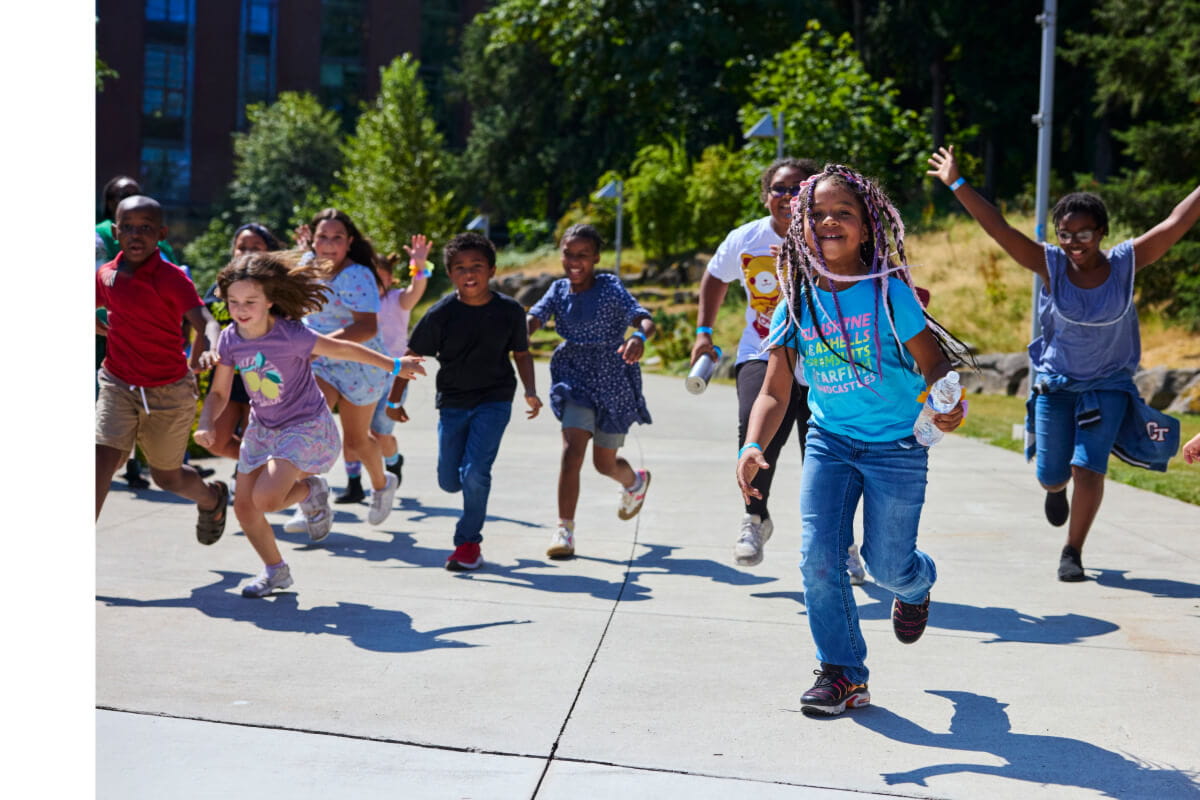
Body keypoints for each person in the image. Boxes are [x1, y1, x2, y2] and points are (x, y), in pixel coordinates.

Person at [736, 164, 970, 716]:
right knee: (818, 561)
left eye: (843, 213)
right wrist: (752, 445)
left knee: (888, 567)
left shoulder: (889, 292)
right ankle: (843, 673)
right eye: (815, 215)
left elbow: (935, 365)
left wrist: (948, 405)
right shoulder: (796, 297)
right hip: (830, 444)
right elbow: (776, 384)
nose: (828, 222)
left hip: (897, 449)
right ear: (799, 228)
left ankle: (917, 585)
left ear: (867, 227)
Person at [927, 146, 1196, 581]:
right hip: (1056, 385)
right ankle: (1054, 491)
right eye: (1065, 234)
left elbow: (1175, 222)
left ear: (1102, 233)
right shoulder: (1049, 263)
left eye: (1083, 234)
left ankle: (1072, 551)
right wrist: (957, 182)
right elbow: (998, 228)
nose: (1073, 243)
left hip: (1108, 385)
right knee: (1053, 473)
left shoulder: (1126, 263)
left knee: (1089, 465)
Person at [195, 250, 425, 597]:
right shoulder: (230, 338)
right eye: (233, 301)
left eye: (250, 301)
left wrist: (393, 365)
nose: (241, 310)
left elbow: (342, 349)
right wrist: (206, 421)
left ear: (270, 300)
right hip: (263, 427)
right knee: (244, 508)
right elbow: (219, 392)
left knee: (268, 500)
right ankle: (276, 572)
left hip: (303, 426)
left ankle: (311, 490)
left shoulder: (290, 335)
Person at [691, 158, 837, 570]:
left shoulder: (828, 235)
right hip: (762, 348)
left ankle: (839, 543)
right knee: (755, 431)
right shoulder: (746, 238)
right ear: (765, 195)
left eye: (796, 189)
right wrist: (705, 330)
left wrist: (804, 264)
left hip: (823, 354)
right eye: (778, 188)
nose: (787, 197)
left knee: (823, 450)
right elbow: (716, 276)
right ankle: (754, 518)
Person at [397, 232, 542, 571]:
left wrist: (530, 391)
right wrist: (394, 401)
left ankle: (467, 544)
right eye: (460, 267)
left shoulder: (508, 311)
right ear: (450, 274)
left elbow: (521, 353)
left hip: (495, 399)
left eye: (476, 265)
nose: (469, 273)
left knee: (476, 472)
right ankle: (466, 492)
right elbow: (411, 356)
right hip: (453, 402)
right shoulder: (441, 313)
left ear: (491, 269)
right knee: (450, 479)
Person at [95, 195, 228, 542]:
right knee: (100, 462)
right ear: (115, 230)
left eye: (146, 229)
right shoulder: (106, 275)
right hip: (118, 382)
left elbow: (205, 319)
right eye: (128, 228)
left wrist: (212, 346)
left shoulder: (171, 279)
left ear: (162, 234)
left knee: (166, 478)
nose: (136, 236)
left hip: (168, 390)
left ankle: (212, 498)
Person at [527, 224, 655, 559]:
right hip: (574, 377)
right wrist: (519, 332)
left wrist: (639, 338)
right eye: (569, 254)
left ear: (596, 257)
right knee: (572, 452)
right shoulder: (558, 290)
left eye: (583, 255)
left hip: (613, 378)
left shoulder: (610, 287)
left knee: (603, 463)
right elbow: (534, 317)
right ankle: (564, 530)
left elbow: (643, 318)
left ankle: (634, 482)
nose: (575, 261)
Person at [281, 208, 400, 532]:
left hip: (359, 363)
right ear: (314, 240)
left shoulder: (358, 274)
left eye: (337, 238)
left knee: (357, 442)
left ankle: (381, 483)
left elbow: (366, 328)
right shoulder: (306, 267)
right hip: (319, 361)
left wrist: (317, 346)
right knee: (305, 426)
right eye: (323, 237)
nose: (329, 244)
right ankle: (310, 502)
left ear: (349, 242)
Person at [333, 237, 432, 505]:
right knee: (353, 433)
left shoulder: (398, 301)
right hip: (359, 372)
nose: (374, 284)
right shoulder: (354, 305)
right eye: (370, 278)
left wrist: (420, 265)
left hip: (393, 377)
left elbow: (417, 288)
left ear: (390, 280)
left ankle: (393, 462)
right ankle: (354, 483)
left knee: (379, 432)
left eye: (381, 278)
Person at [96, 175, 179, 489]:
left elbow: (177, 283)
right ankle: (120, 463)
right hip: (109, 336)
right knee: (109, 414)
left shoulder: (160, 242)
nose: (135, 233)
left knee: (146, 407)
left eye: (133, 194)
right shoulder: (100, 236)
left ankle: (140, 465)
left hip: (157, 340)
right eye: (120, 197)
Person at [198, 223, 283, 476]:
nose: (247, 252)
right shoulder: (219, 286)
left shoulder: (276, 289)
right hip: (225, 378)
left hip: (262, 376)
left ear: (268, 252)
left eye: (255, 247)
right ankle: (261, 466)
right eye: (241, 247)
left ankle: (251, 476)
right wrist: (197, 360)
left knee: (253, 441)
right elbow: (205, 321)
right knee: (216, 442)